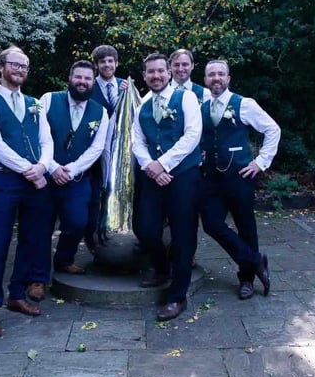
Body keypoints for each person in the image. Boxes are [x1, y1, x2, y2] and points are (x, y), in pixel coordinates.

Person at [0, 46, 54, 339]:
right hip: (7, 181)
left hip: (35, 181)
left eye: (25, 66)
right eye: (15, 64)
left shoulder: (35, 104)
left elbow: (46, 140)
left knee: (31, 240)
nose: (20, 70)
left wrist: (43, 166)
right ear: (1, 67)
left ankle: (17, 294)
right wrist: (29, 169)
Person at [199, 60, 280, 299]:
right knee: (211, 224)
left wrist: (260, 162)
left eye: (220, 74)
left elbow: (273, 129)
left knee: (245, 226)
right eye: (211, 74)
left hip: (239, 176)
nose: (216, 78)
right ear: (205, 80)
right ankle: (256, 260)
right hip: (212, 178)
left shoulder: (244, 104)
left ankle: (247, 280)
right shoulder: (201, 107)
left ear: (228, 78)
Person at [132, 53, 202, 321]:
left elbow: (192, 135)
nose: (156, 76)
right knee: (145, 229)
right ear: (144, 76)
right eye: (151, 72)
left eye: (160, 71)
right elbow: (137, 141)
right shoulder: (143, 104)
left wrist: (163, 164)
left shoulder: (186, 98)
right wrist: (151, 166)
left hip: (183, 176)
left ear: (169, 73)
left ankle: (177, 297)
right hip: (153, 176)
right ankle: (162, 269)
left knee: (183, 236)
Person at [40, 60, 109, 274]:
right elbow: (37, 137)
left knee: (78, 223)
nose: (82, 81)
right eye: (78, 77)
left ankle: (63, 261)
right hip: (45, 176)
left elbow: (97, 148)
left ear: (93, 82)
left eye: (88, 78)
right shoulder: (48, 100)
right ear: (70, 78)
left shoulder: (100, 112)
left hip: (77, 179)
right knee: (41, 227)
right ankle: (37, 277)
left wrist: (71, 170)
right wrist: (53, 167)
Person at [85, 45, 129, 250]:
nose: (107, 64)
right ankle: (92, 241)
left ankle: (114, 232)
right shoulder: (88, 86)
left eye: (110, 61)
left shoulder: (126, 86)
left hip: (120, 152)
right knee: (94, 199)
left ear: (116, 63)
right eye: (102, 61)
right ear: (96, 65)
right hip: (94, 152)